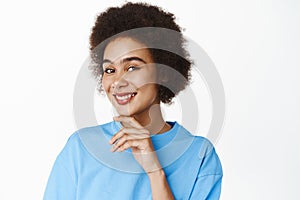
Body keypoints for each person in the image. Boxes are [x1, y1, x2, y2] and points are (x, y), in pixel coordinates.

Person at [43, 2, 222, 200]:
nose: (118, 82)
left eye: (132, 67)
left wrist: (155, 172)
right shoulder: (80, 149)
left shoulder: (199, 156)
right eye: (110, 70)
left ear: (162, 72)